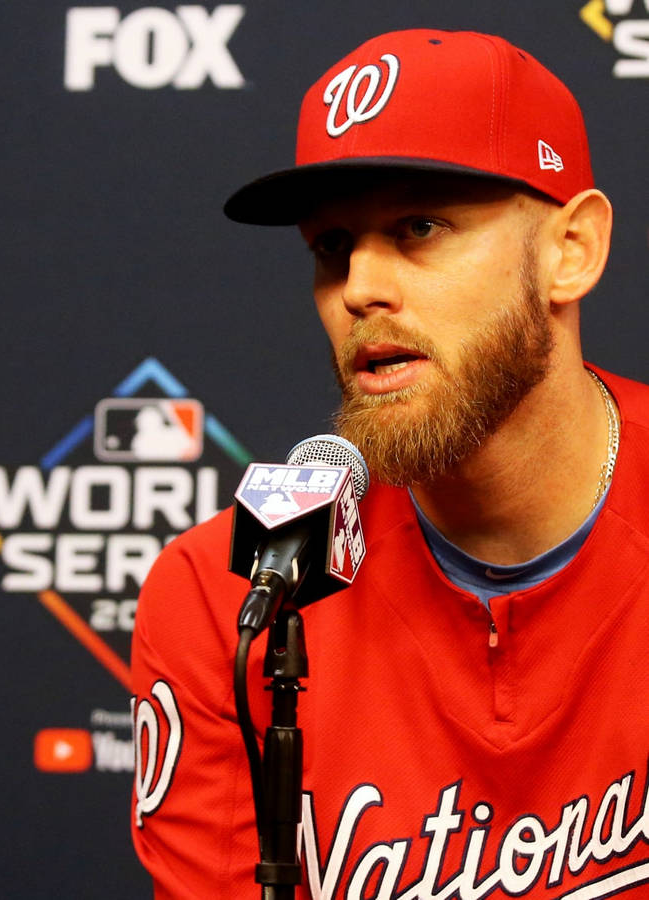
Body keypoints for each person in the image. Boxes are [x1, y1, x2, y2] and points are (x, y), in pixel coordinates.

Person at [131, 29, 649, 899]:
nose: (360, 287)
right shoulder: (230, 596)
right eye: (332, 246)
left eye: (420, 227)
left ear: (572, 251)